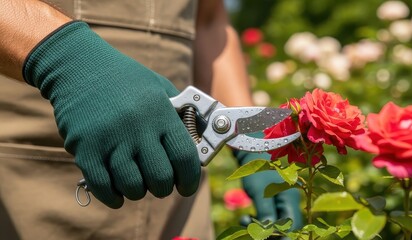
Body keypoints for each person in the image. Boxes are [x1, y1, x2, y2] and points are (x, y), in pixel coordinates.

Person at [0, 0, 301, 239]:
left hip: (178, 209)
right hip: (26, 187)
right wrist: (62, 56)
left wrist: (253, 141)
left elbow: (209, 23)